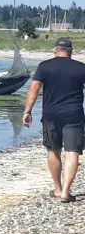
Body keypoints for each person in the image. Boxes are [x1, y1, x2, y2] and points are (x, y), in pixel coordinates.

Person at [23, 37, 85, 202]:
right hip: (74, 114)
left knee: (53, 150)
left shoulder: (45, 66)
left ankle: (57, 188)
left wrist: (27, 111)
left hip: (51, 114)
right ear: (71, 51)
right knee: (72, 152)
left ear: (55, 50)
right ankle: (66, 191)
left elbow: (33, 89)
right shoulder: (81, 68)